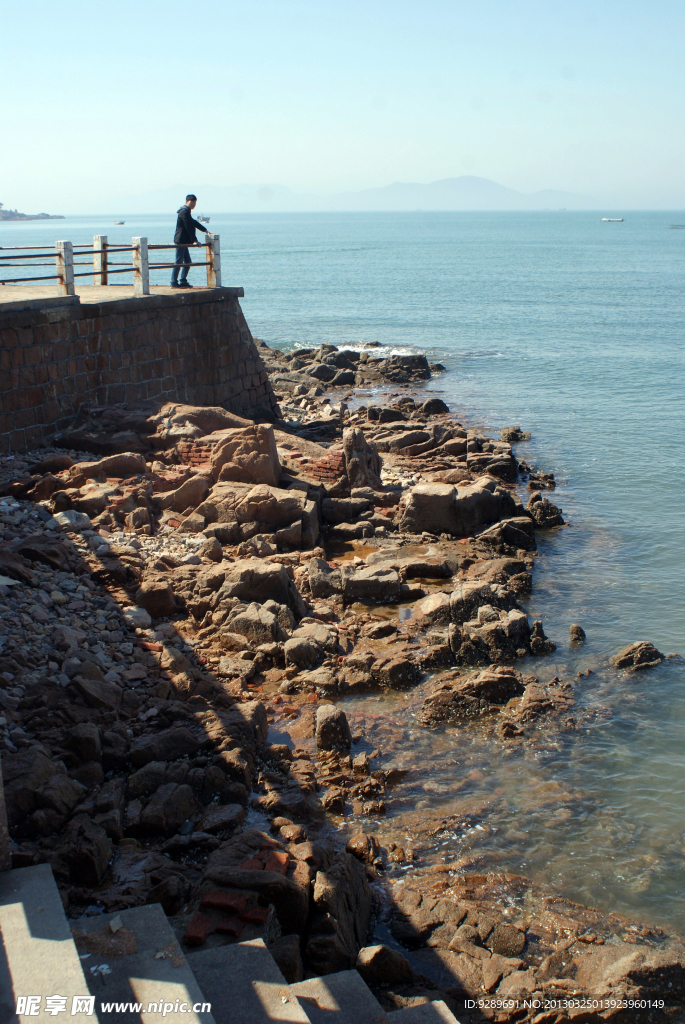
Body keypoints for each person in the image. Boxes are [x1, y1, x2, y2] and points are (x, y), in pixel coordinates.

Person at [170, 194, 208, 288]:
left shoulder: (187, 211)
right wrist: (195, 240)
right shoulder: (184, 211)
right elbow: (188, 226)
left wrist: (205, 230)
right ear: (187, 202)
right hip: (180, 240)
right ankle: (173, 282)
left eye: (195, 202)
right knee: (179, 261)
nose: (194, 204)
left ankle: (183, 280)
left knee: (187, 261)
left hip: (184, 240)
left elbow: (193, 223)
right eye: (192, 202)